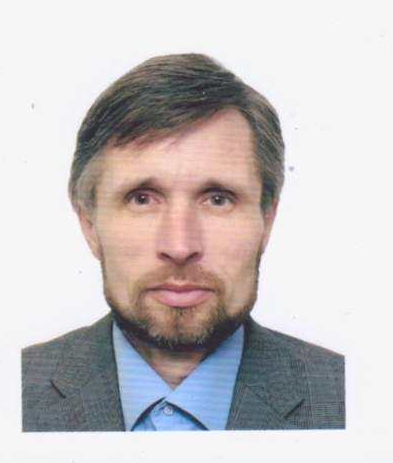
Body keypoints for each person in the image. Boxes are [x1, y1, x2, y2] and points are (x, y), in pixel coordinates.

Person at [22, 53, 345, 431]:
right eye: (142, 198)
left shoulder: (350, 399)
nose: (179, 246)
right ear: (89, 223)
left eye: (218, 199)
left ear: (267, 220)